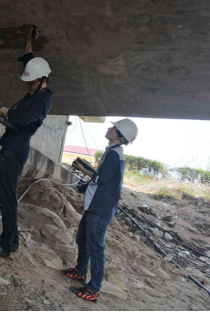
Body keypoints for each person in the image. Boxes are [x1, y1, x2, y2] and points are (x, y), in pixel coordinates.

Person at [0, 27, 53, 258]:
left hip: (15, 151)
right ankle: (12, 239)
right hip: (12, 147)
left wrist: (4, 110)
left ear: (42, 81)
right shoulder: (36, 92)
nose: (26, 86)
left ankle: (6, 246)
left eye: (30, 83)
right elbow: (29, 64)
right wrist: (29, 42)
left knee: (6, 197)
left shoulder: (41, 101)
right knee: (5, 195)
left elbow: (20, 118)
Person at [63, 119, 138, 303]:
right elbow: (101, 181)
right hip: (94, 205)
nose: (109, 128)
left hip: (100, 209)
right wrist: (84, 185)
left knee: (96, 249)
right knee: (83, 239)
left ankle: (93, 289)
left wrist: (82, 169)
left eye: (113, 128)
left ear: (119, 135)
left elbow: (101, 178)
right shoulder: (112, 152)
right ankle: (80, 271)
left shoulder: (115, 154)